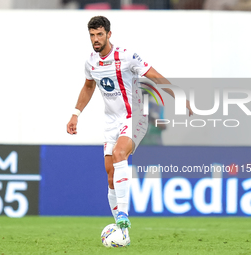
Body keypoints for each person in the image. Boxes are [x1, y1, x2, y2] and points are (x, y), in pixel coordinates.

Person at [67, 16, 193, 229]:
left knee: (119, 154)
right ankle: (120, 228)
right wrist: (75, 113)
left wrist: (179, 97)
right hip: (111, 121)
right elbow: (88, 87)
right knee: (110, 176)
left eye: (99, 34)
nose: (95, 39)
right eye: (92, 35)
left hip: (134, 116)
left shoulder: (127, 57)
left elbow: (156, 77)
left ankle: (124, 215)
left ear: (109, 34)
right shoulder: (91, 62)